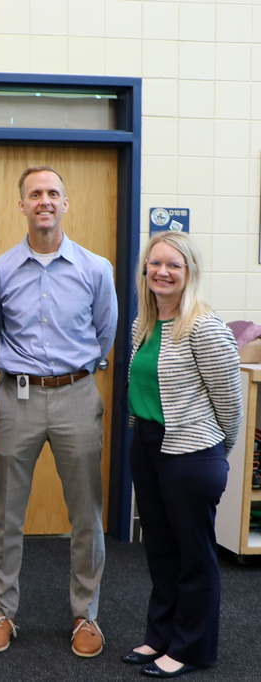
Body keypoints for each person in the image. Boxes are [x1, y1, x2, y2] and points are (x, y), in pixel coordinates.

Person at [0, 166, 117, 658]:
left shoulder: (95, 268)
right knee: (6, 517)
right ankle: (3, 612)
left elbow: (105, 335)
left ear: (66, 204)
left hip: (77, 395)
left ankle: (86, 616)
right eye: (35, 193)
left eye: (53, 193)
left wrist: (75, 375)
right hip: (15, 396)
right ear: (22, 205)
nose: (44, 200)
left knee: (86, 515)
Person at [123, 231, 241, 678]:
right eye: (155, 264)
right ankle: (161, 636)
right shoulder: (145, 324)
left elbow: (230, 402)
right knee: (161, 550)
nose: (162, 272)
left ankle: (191, 648)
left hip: (191, 452)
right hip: (149, 447)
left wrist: (216, 453)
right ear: (145, 271)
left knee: (194, 555)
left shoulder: (204, 326)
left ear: (189, 271)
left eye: (173, 264)